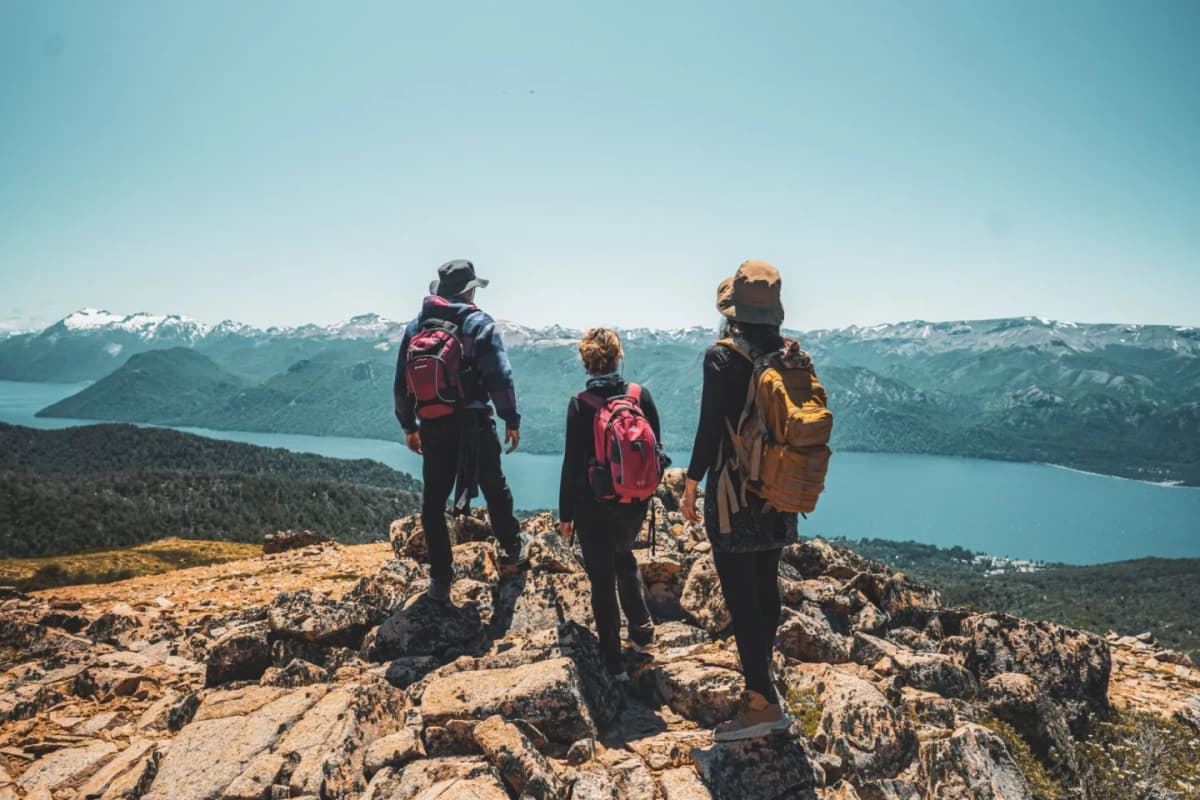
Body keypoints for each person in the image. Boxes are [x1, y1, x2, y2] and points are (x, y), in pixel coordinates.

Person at [681, 260, 798, 741]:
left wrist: (691, 484)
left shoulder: (722, 357)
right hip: (780, 489)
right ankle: (764, 682)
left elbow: (711, 429)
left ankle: (759, 703)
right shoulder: (791, 354)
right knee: (766, 587)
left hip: (734, 494)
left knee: (740, 598)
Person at [394, 259, 530, 603]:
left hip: (434, 423)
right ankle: (512, 546)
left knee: (433, 501)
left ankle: (440, 576)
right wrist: (511, 418)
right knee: (494, 486)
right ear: (469, 290)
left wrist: (409, 426)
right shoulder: (478, 323)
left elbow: (401, 384)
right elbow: (499, 376)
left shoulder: (416, 327)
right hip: (473, 423)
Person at [558, 328, 659, 679]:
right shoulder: (639, 395)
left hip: (593, 503)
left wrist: (566, 514)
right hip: (634, 499)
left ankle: (613, 661)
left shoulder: (581, 404)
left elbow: (572, 465)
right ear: (618, 357)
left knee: (601, 579)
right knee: (623, 556)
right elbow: (654, 450)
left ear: (586, 362)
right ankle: (643, 633)